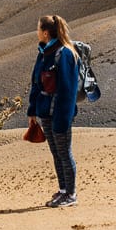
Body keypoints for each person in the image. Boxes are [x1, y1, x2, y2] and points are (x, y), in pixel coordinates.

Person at [27, 13, 79, 207]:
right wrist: (32, 111)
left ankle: (71, 194)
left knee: (65, 153)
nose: (37, 32)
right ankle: (63, 190)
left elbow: (68, 90)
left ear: (46, 33)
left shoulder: (66, 54)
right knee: (56, 153)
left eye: (38, 29)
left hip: (59, 114)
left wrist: (62, 118)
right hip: (45, 112)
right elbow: (35, 83)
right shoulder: (43, 53)